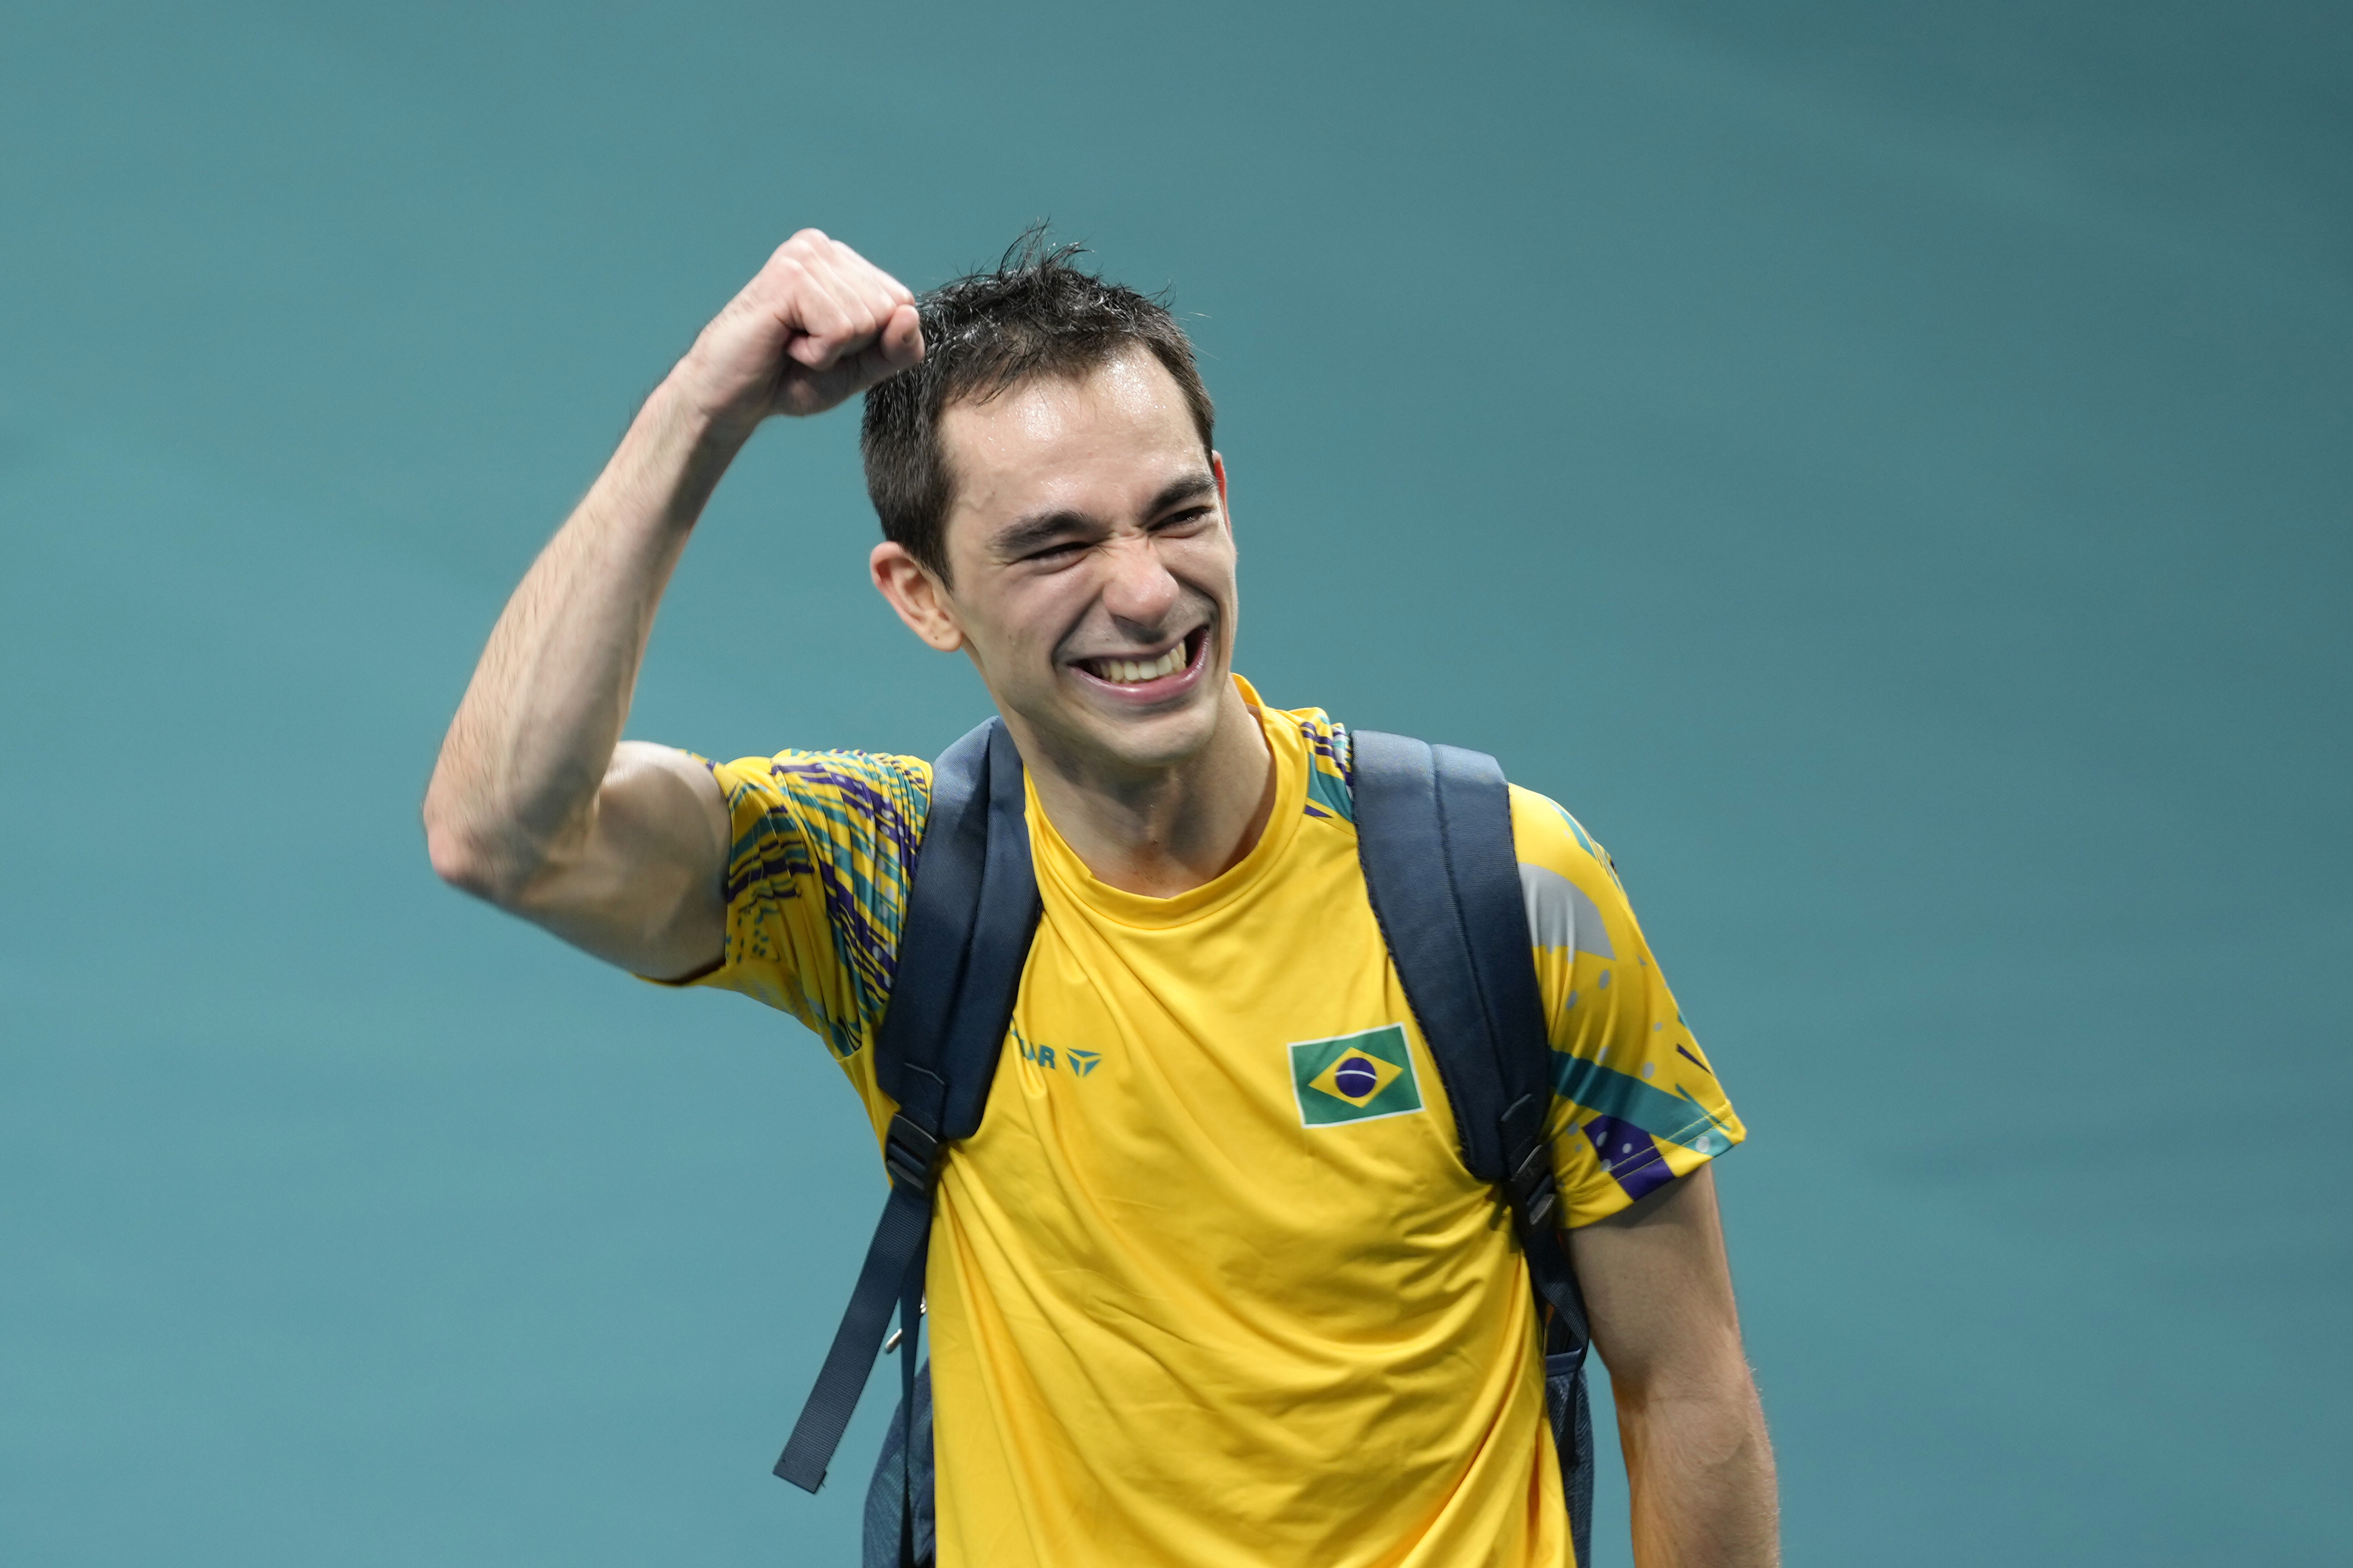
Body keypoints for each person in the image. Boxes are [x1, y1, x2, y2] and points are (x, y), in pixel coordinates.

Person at [422, 228, 1779, 1567]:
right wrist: (701, 408)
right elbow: (502, 833)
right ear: (923, 595)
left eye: (1178, 513)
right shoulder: (884, 881)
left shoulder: (1503, 885)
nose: (1146, 591)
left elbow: (1687, 1381)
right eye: (1054, 545)